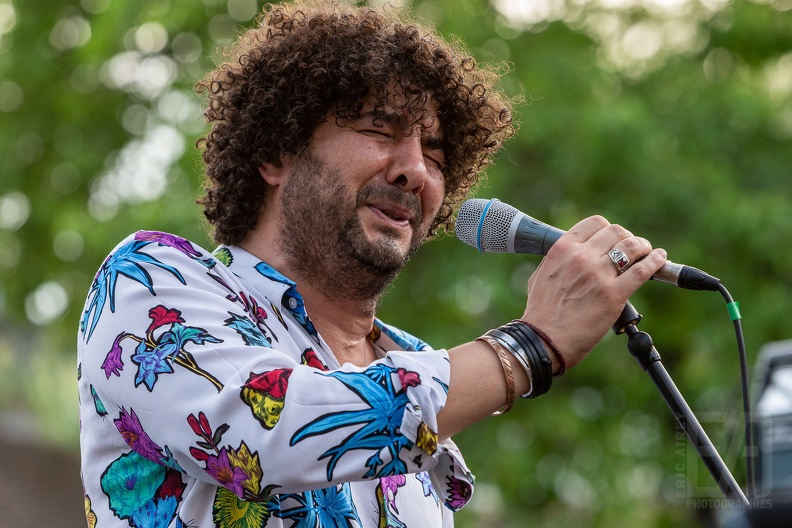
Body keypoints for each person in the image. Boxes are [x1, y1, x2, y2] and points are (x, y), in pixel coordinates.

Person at [77, 1, 668, 527]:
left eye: (435, 152)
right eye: (379, 129)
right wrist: (529, 346)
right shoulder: (149, 282)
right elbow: (268, 431)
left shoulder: (419, 367)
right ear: (277, 151)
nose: (415, 169)